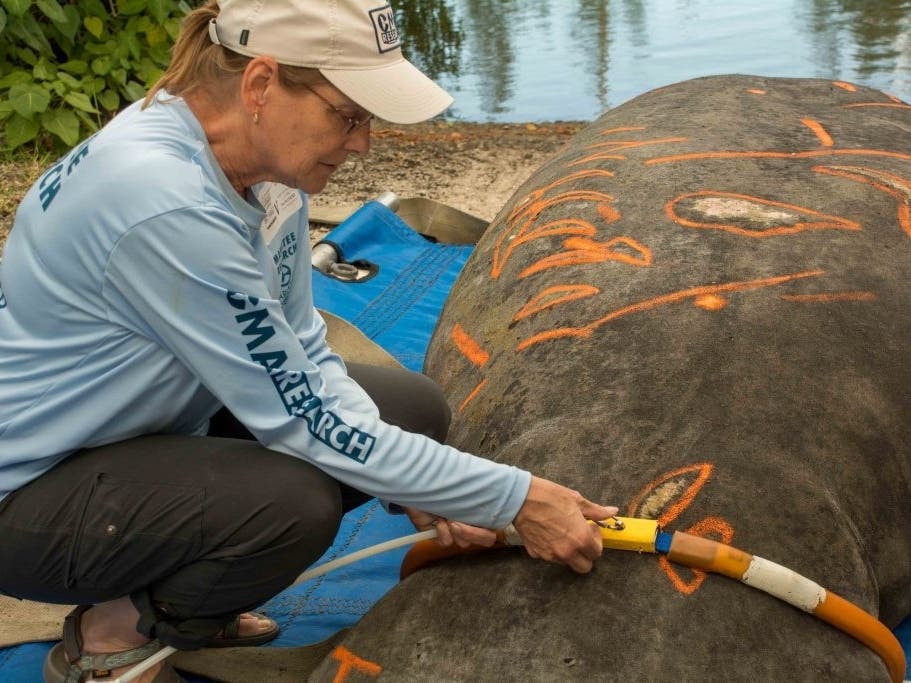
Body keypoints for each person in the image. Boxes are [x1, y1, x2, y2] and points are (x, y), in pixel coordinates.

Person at [0, 1, 618, 681]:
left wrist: (429, 480)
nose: (363, 145)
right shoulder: (164, 198)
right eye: (347, 115)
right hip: (29, 489)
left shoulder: (256, 169)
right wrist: (515, 497)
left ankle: (188, 584)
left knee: (409, 412)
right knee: (291, 505)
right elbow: (306, 420)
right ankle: (111, 634)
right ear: (260, 85)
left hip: (134, 423)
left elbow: (302, 345)